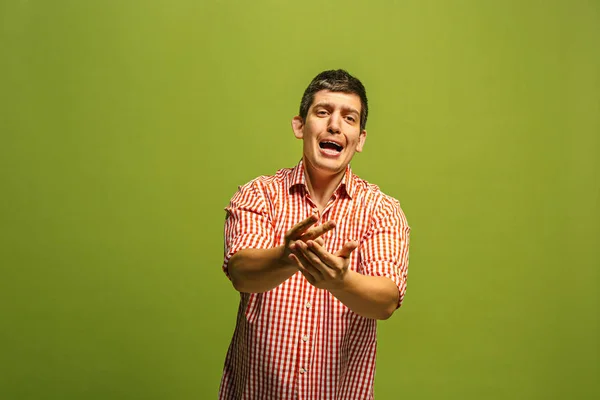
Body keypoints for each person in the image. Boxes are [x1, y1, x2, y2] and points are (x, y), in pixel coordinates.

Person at [219, 69, 410, 400]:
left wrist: (339, 280)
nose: (334, 125)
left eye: (349, 118)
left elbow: (387, 300)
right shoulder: (258, 195)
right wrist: (287, 255)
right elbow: (241, 273)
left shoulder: (382, 210)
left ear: (360, 138)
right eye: (323, 112)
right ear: (299, 125)